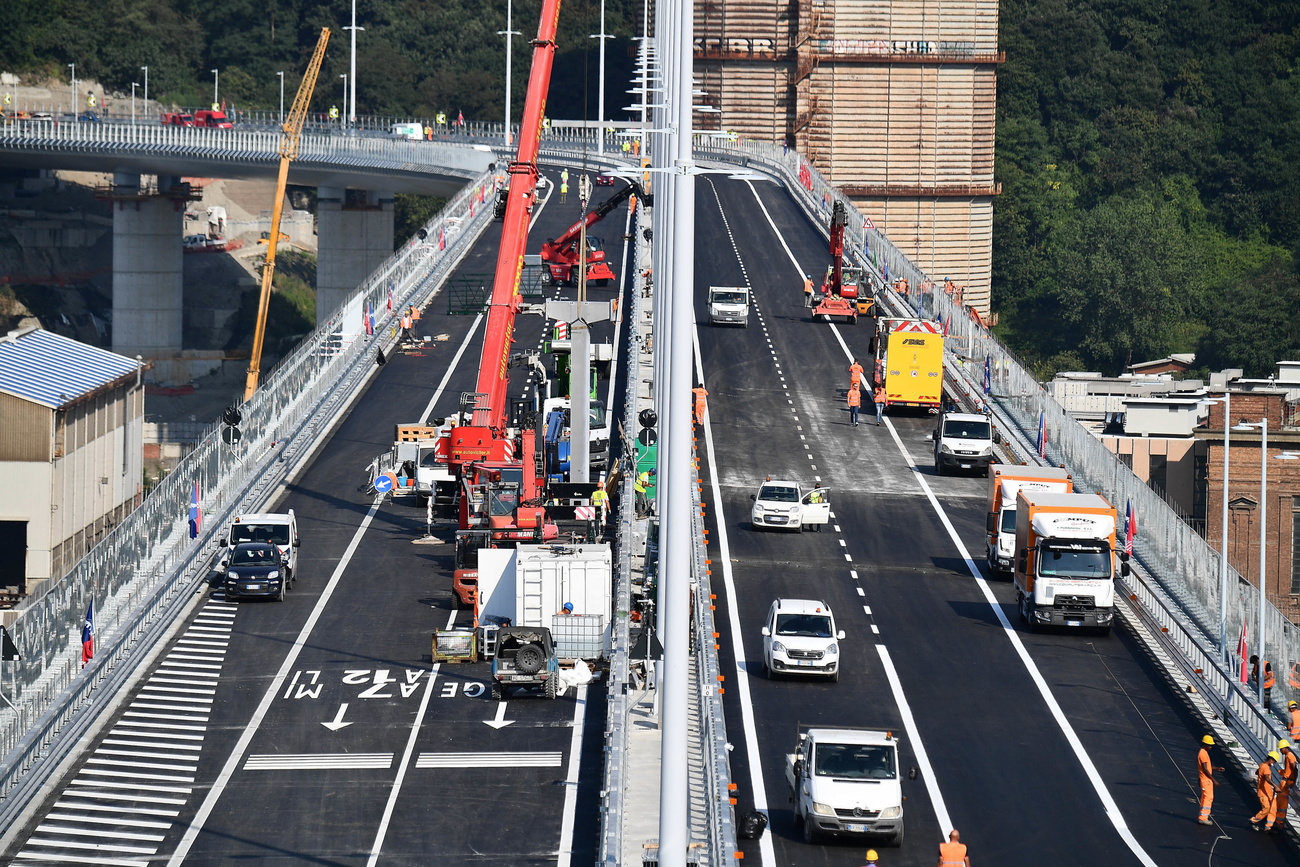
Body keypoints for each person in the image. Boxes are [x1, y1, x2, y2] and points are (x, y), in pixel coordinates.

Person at [1196, 735, 1223, 825]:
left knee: (1205, 798)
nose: (1211, 747)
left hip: (1205, 779)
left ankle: (1203, 816)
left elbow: (1207, 767)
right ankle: (1203, 818)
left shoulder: (1203, 752)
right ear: (1205, 744)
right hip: (1206, 780)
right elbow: (1205, 769)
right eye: (1209, 745)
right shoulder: (1203, 754)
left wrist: (1216, 768)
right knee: (1208, 798)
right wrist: (1214, 780)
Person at [1251, 751, 1280, 831]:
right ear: (1271, 759)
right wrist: (1275, 786)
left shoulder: (1262, 765)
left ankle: (1269, 826)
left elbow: (1257, 772)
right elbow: (1267, 778)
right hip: (1264, 793)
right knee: (1266, 808)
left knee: (1273, 808)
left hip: (1269, 792)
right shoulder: (1266, 767)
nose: (1274, 763)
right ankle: (1254, 820)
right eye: (1274, 761)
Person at [1277, 739, 1299, 827]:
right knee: (1280, 801)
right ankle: (1279, 820)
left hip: (1287, 781)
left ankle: (1279, 822)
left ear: (1285, 748)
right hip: (1286, 781)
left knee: (1282, 802)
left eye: (1281, 749)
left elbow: (1295, 769)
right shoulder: (1288, 756)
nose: (1280, 751)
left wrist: (1293, 781)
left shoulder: (1290, 756)